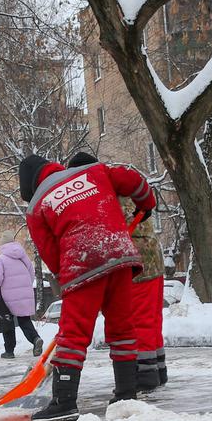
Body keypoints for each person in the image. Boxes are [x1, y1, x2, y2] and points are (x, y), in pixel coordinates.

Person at [18, 153, 156, 421]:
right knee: (122, 329)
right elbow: (133, 180)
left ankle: (65, 402)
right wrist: (146, 202)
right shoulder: (95, 171)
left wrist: (66, 275)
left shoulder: (37, 206)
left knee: (73, 335)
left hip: (82, 263)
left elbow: (50, 252)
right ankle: (127, 395)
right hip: (120, 255)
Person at [68, 152, 168, 392]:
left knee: (138, 319)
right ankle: (157, 369)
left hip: (136, 262)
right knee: (151, 319)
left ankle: (145, 375)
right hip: (152, 256)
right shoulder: (119, 185)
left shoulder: (103, 193)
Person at [0, 229, 43, 359]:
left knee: (7, 322)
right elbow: (31, 273)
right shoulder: (23, 256)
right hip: (25, 293)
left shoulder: (1, 259)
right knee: (24, 320)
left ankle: (9, 351)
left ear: (2, 245)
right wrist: (25, 287)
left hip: (7, 296)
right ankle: (35, 339)